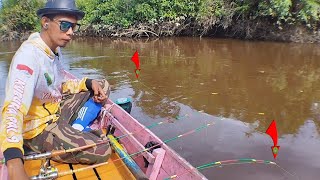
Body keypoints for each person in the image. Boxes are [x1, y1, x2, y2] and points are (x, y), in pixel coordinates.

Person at [0, 0, 111, 179]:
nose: (70, 32)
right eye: (65, 25)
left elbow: (61, 85)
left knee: (102, 85)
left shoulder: (53, 51)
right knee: (102, 149)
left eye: (74, 27)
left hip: (55, 109)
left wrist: (89, 83)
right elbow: (13, 109)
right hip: (37, 130)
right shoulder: (28, 57)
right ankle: (68, 133)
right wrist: (14, 163)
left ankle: (74, 128)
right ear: (45, 22)